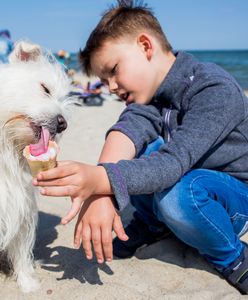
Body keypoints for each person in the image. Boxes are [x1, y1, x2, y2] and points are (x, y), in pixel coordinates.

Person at [33, 0, 248, 294]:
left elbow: (173, 162)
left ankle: (234, 258)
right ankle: (153, 225)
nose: (110, 87)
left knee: (178, 190)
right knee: (143, 152)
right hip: (186, 181)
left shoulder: (213, 89)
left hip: (231, 201)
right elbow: (126, 132)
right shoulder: (151, 98)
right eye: (103, 80)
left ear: (145, 46)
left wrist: (101, 180)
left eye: (113, 70)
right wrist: (101, 191)